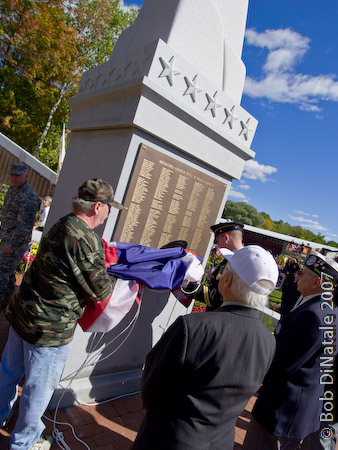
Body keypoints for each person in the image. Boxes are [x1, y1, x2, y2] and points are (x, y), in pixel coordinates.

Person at [0, 178, 123, 450]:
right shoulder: (84, 238)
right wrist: (121, 280)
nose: (108, 212)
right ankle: (23, 443)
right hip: (49, 330)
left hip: (24, 315)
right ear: (97, 207)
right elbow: (101, 292)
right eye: (108, 207)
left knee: (8, 373)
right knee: (38, 390)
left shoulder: (64, 222)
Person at [131, 245, 278, 450]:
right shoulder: (268, 340)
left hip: (171, 438)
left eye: (225, 272)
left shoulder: (192, 327)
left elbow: (151, 386)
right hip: (220, 442)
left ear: (226, 280)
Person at [242, 250, 338, 450]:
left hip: (282, 411)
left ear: (317, 283)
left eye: (302, 273)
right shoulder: (329, 311)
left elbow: (283, 363)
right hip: (297, 409)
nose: (296, 276)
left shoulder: (313, 315)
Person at [0, 162, 40, 307]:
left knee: (2, 271)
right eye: (12, 174)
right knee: (8, 272)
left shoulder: (28, 195)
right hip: (6, 237)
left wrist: (11, 244)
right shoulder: (12, 190)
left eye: (18, 175)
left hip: (15, 242)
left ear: (26, 176)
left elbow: (25, 225)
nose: (14, 178)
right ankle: (9, 300)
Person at [182, 221, 244, 309]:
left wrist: (188, 284)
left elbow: (220, 299)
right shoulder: (233, 259)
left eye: (218, 242)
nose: (218, 246)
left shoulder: (239, 263)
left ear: (226, 238)